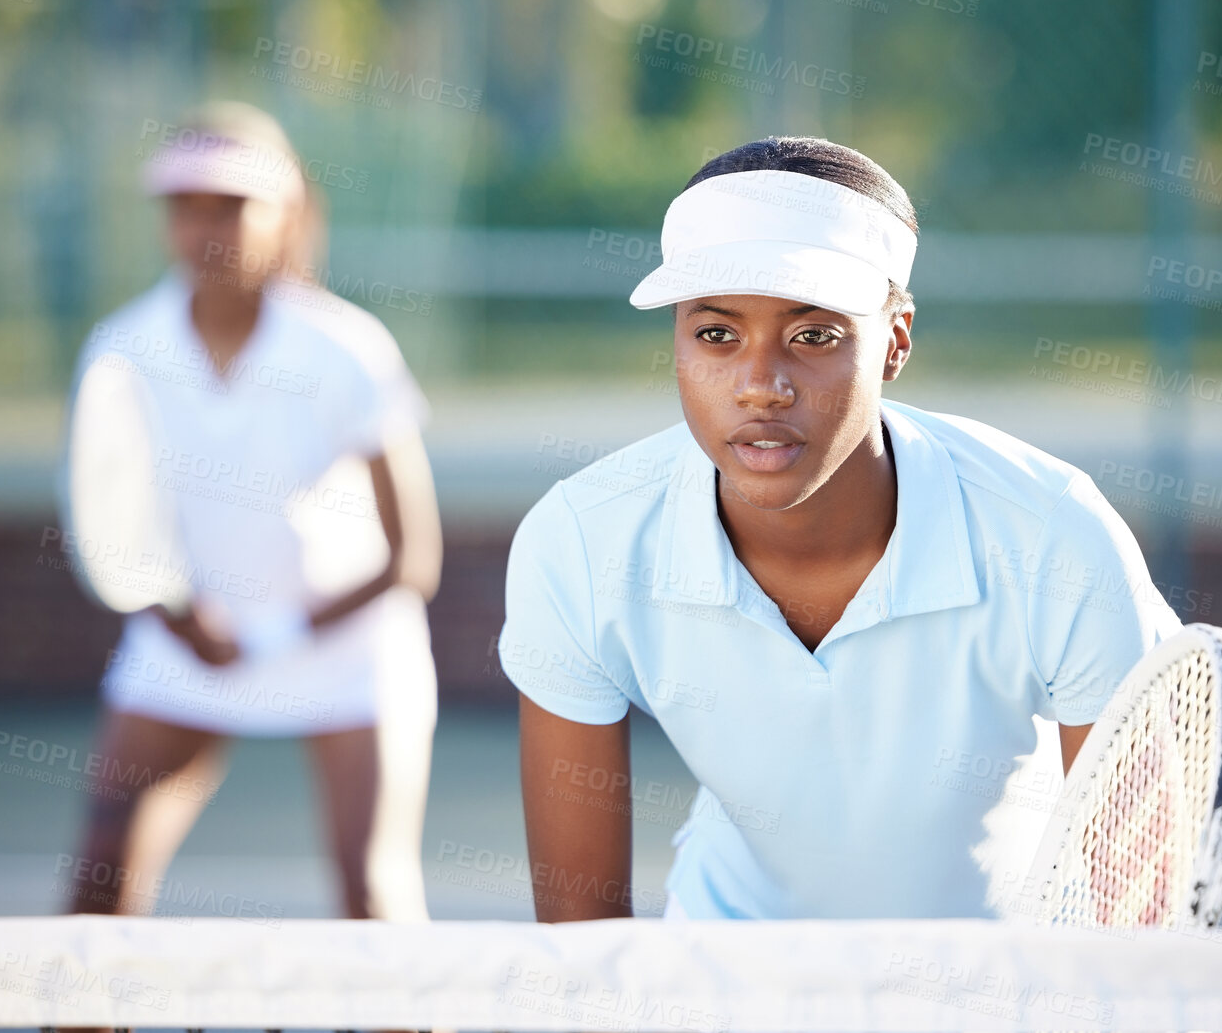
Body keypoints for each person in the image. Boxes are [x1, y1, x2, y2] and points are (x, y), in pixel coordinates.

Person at [498, 136, 1182, 921]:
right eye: (716, 333)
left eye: (814, 335)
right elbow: (581, 943)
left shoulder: (1056, 535)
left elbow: (1141, 932)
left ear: (895, 340)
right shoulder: (580, 542)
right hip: (726, 984)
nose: (761, 386)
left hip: (998, 990)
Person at [59, 101, 442, 925]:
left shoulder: (348, 348)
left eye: (231, 204)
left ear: (287, 214)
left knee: (372, 899)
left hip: (349, 656)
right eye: (185, 205)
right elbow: (116, 525)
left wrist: (276, 635)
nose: (206, 227)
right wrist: (178, 617)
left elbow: (413, 558)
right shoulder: (120, 347)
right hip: (181, 648)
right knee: (96, 890)